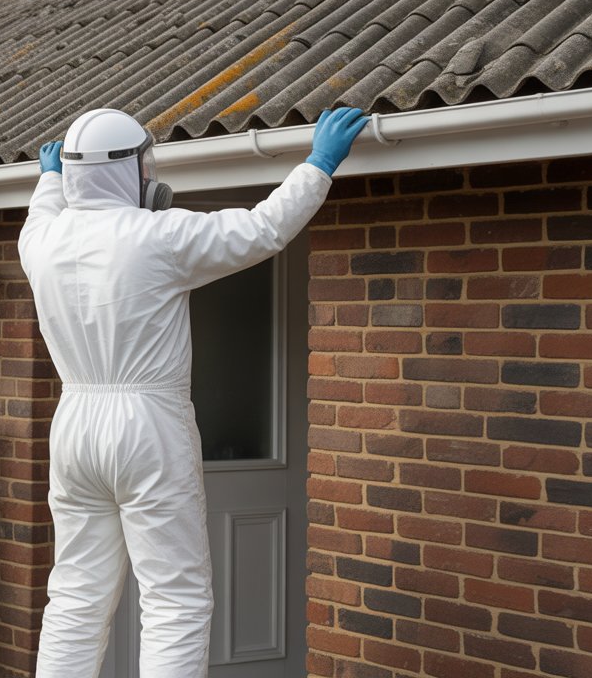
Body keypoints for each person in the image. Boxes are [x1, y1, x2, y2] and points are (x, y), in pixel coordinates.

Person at [19, 107, 369, 677]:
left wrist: (49, 178)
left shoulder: (38, 242)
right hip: (147, 423)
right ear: (130, 171)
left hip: (74, 423)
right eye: (145, 165)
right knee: (173, 600)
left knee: (76, 597)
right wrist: (318, 164)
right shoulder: (159, 236)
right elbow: (262, 229)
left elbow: (44, 207)